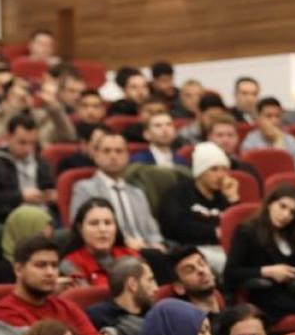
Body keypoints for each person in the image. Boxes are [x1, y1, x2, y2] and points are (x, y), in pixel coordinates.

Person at [223, 183, 295, 322]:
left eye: (292, 212)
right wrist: (267, 271)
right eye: (282, 206)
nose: (286, 215)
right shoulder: (247, 231)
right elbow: (230, 273)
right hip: (265, 293)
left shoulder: (293, 235)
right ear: (270, 203)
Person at [0, 235, 97, 335]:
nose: (50, 272)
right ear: (18, 270)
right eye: (41, 265)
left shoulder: (67, 307)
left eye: (54, 265)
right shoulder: (5, 314)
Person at [70, 131, 165, 250]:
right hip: (111, 250)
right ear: (96, 155)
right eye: (107, 151)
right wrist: (126, 243)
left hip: (146, 250)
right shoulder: (84, 189)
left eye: (119, 151)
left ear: (127, 156)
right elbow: (79, 230)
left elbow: (153, 232)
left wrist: (157, 244)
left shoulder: (137, 193)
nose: (113, 156)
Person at [158, 142, 238, 273]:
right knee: (228, 262)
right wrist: (214, 232)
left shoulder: (223, 195)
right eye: (214, 169)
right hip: (190, 249)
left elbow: (237, 228)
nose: (221, 175)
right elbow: (175, 227)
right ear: (200, 171)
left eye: (224, 169)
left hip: (220, 247)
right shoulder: (179, 192)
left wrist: (233, 199)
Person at [0, 113, 57, 223]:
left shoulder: (41, 162)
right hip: (9, 218)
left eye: (32, 143)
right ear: (8, 137)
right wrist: (20, 197)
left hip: (42, 216)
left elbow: (48, 187)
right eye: (22, 143)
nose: (28, 149)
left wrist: (50, 196)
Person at [60, 198, 140, 288]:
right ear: (80, 228)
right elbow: (87, 295)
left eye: (108, 223)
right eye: (94, 223)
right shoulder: (70, 264)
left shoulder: (132, 255)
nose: (102, 229)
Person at [0, 75, 75, 145]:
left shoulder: (41, 118)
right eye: (14, 95)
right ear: (5, 99)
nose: (22, 97)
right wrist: (12, 110)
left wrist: (55, 110)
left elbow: (68, 138)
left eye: (26, 92)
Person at [85, 256, 156, 330]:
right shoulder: (97, 316)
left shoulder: (154, 312)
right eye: (150, 280)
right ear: (132, 284)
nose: (155, 288)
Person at [240, 97, 295, 169]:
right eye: (268, 116)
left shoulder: (292, 141)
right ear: (258, 118)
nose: (274, 121)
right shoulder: (250, 141)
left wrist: (279, 139)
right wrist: (277, 139)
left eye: (277, 116)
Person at [167, 246, 224, 322]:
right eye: (190, 270)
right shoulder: (193, 325)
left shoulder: (228, 310)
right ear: (179, 288)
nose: (201, 270)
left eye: (202, 264)